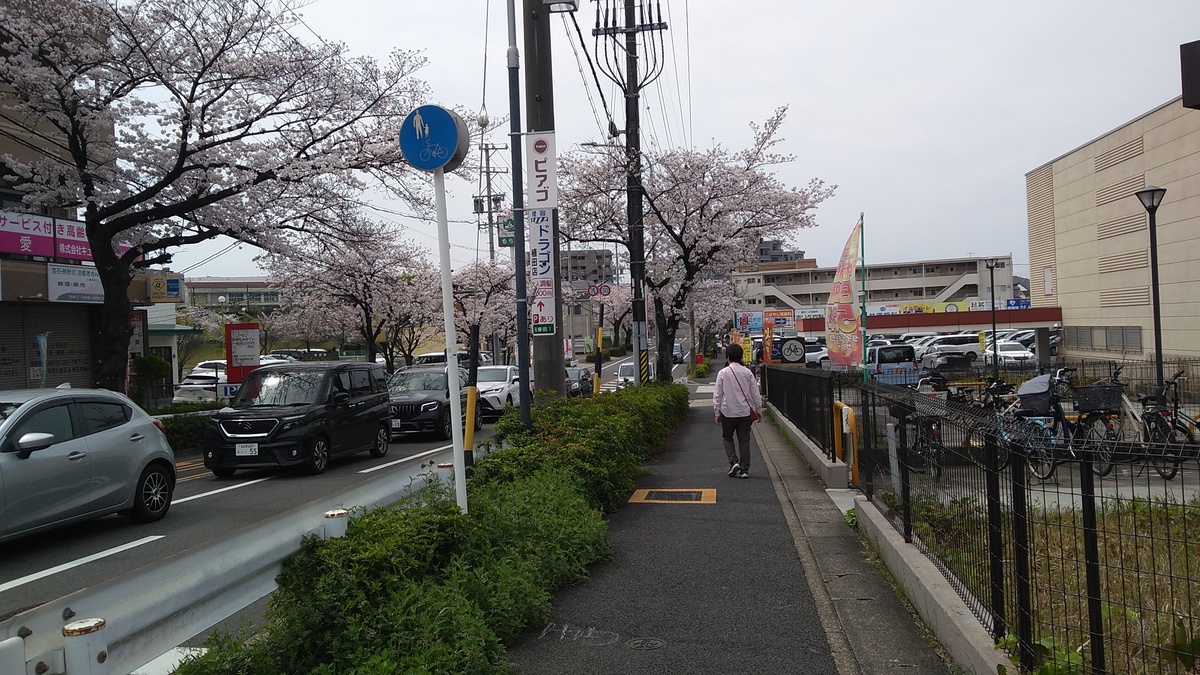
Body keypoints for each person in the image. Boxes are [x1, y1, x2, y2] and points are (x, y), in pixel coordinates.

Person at [713, 343, 763, 479]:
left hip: (727, 412)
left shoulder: (723, 373)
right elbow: (755, 393)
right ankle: (745, 469)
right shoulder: (747, 372)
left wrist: (717, 412)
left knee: (727, 437)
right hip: (744, 412)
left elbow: (718, 395)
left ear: (727, 357)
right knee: (744, 441)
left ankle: (733, 461)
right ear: (741, 356)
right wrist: (758, 410)